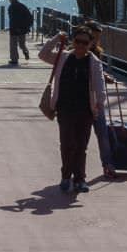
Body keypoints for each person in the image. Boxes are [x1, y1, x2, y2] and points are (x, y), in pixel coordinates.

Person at [40, 23, 108, 194]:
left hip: (85, 110)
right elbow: (43, 54)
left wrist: (100, 103)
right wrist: (56, 38)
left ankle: (79, 179)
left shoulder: (94, 62)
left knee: (80, 146)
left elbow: (99, 85)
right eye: (78, 41)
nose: (80, 45)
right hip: (65, 108)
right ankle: (65, 176)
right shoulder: (63, 57)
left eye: (85, 43)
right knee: (66, 144)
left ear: (91, 44)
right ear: (73, 41)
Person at [6, 0, 34, 66]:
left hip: (14, 29)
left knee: (13, 45)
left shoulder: (11, 7)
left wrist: (15, 27)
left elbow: (12, 19)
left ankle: (14, 60)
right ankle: (25, 52)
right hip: (23, 29)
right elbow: (29, 16)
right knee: (22, 44)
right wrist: (27, 27)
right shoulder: (22, 6)